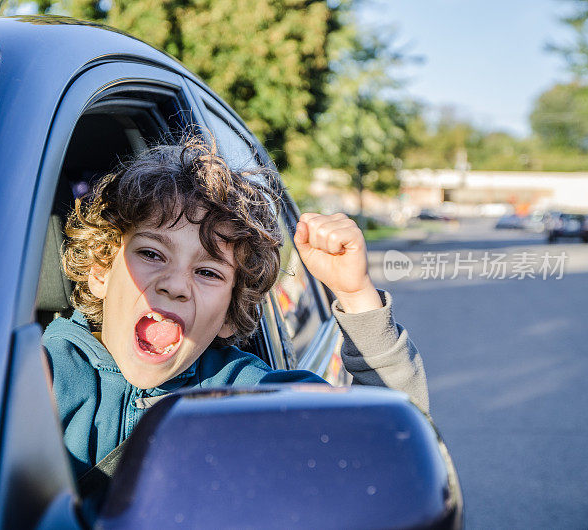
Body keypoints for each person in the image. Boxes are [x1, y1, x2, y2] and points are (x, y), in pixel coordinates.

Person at [42, 136, 428, 483]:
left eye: (208, 271)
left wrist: (356, 293)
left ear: (230, 313)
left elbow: (393, 449)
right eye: (150, 253)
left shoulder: (247, 395)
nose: (175, 284)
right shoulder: (36, 375)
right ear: (99, 270)